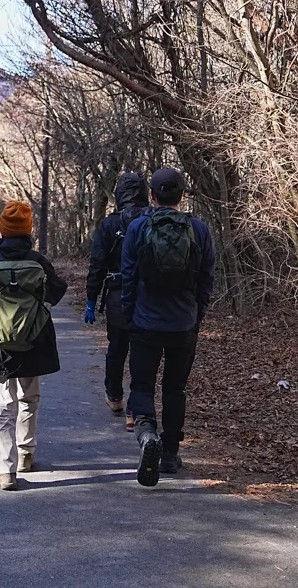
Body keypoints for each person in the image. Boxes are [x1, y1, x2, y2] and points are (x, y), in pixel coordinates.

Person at [119, 167, 215, 487]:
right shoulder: (199, 230)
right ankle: (171, 453)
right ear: (182, 196)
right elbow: (206, 280)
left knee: (143, 385)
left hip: (145, 323)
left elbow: (128, 278)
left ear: (152, 196)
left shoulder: (136, 227)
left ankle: (147, 435)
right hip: (183, 325)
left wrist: (129, 316)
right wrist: (196, 316)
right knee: (175, 389)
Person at [0, 200, 68, 491]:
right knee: (30, 397)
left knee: (3, 406)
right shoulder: (38, 262)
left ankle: (6, 470)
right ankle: (26, 453)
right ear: (29, 230)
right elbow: (57, 290)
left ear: (2, 230)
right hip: (33, 339)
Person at [84, 171, 148, 422]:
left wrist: (91, 299)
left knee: (117, 349)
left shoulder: (110, 224)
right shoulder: (152, 219)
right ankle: (136, 408)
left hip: (117, 296)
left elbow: (97, 264)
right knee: (142, 352)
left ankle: (115, 397)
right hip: (148, 298)